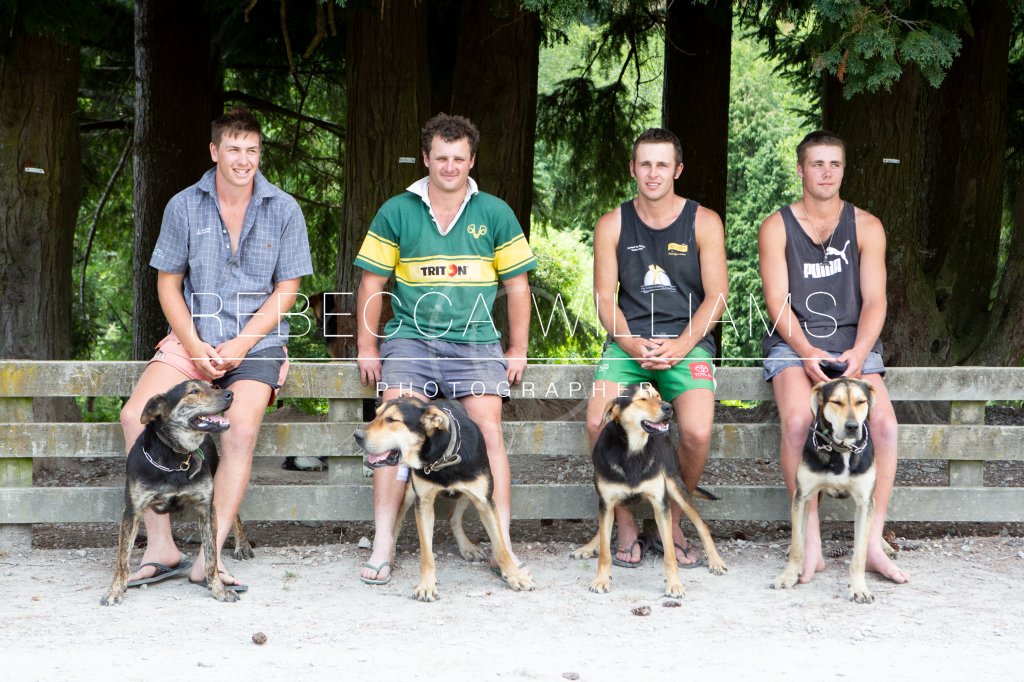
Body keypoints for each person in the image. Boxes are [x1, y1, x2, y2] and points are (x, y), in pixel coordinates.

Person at [120, 107, 312, 590]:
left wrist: (242, 343)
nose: (243, 160)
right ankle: (161, 547)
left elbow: (287, 290)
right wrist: (193, 344)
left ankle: (210, 555)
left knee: (239, 429)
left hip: (256, 342)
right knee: (134, 416)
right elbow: (168, 285)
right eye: (234, 149)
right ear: (214, 151)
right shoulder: (184, 205)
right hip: (193, 337)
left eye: (252, 150)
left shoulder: (284, 209)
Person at [354, 113, 536, 585]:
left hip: (475, 339)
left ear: (471, 160)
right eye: (441, 158)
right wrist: (367, 345)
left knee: (489, 431)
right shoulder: (397, 210)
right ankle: (383, 543)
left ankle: (502, 546)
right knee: (393, 427)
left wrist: (518, 347)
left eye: (459, 158)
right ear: (426, 159)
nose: (450, 166)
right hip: (410, 339)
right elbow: (372, 282)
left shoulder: (495, 212)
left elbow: (517, 286)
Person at [757, 129, 908, 584]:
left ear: (844, 170)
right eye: (817, 164)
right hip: (793, 343)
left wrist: (859, 352)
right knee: (798, 423)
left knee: (884, 425)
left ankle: (872, 544)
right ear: (800, 169)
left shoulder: (867, 226)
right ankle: (811, 546)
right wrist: (805, 352)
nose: (826, 173)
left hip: (852, 344)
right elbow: (776, 301)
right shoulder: (776, 227)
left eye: (835, 164)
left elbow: (876, 300)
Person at [586, 127, 728, 568]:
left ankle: (673, 522)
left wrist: (681, 346)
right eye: (645, 164)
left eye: (662, 164)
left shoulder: (704, 222)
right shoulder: (611, 224)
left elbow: (717, 297)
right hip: (628, 344)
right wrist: (630, 343)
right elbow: (604, 300)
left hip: (687, 344)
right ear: (633, 168)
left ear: (677, 170)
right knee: (596, 421)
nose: (653, 173)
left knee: (697, 431)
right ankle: (626, 524)